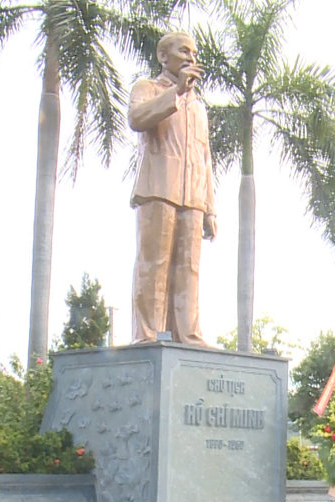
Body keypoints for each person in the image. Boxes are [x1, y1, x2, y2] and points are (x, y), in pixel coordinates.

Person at [128, 31, 218, 345]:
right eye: (184, 51)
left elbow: (204, 156)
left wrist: (210, 207)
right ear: (164, 57)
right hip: (158, 188)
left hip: (192, 194)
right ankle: (149, 334)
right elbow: (137, 118)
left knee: (189, 269)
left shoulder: (198, 107)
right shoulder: (148, 88)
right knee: (154, 266)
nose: (191, 58)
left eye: (193, 53)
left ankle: (188, 335)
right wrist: (176, 93)